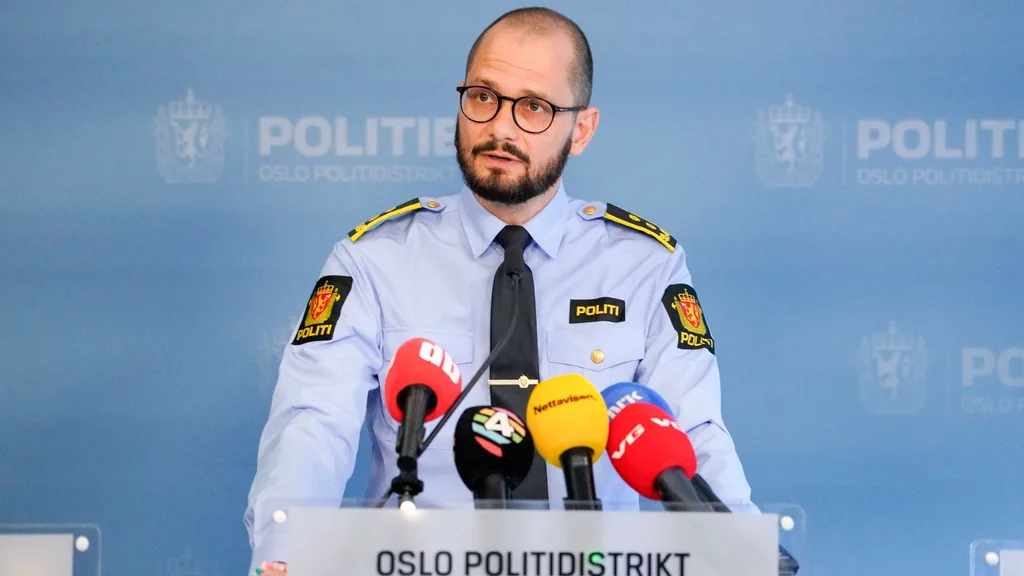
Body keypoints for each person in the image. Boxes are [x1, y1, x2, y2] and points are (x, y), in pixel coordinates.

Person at [244, 7, 757, 575]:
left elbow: (691, 437)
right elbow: (312, 425)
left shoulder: (643, 265)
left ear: (581, 130)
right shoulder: (374, 260)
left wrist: (741, 558)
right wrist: (282, 555)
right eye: (483, 96)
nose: (501, 128)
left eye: (534, 107)